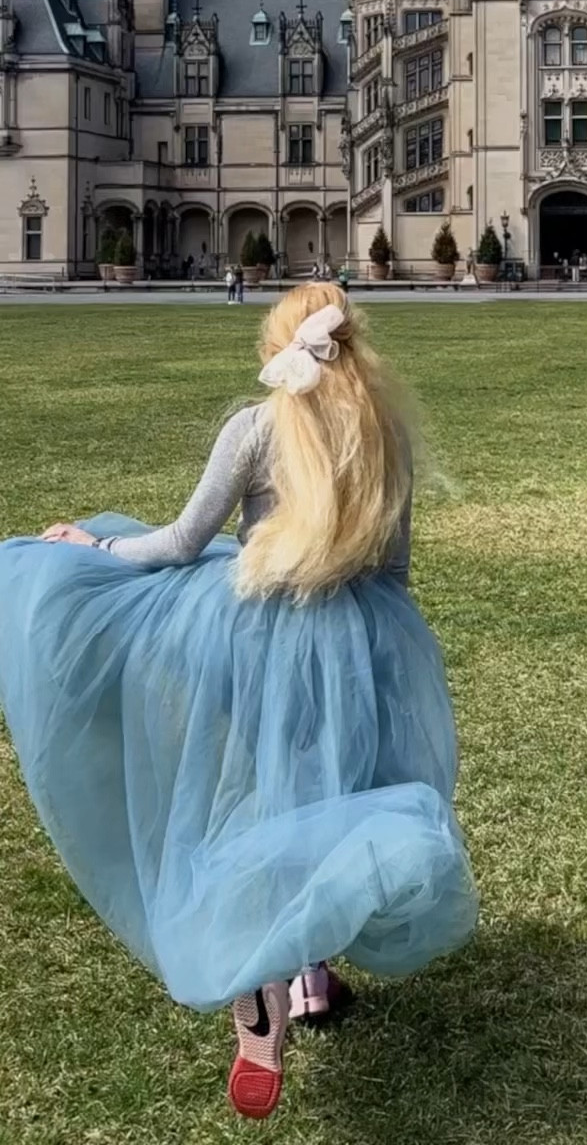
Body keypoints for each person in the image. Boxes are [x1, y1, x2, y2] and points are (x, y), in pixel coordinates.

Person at [0, 285, 477, 1121]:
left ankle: (266, 974)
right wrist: (381, 649)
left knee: (255, 795)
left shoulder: (255, 429)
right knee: (332, 790)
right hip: (360, 637)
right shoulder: (383, 432)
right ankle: (314, 976)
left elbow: (181, 544)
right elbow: (394, 570)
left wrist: (96, 544)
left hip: (251, 632)